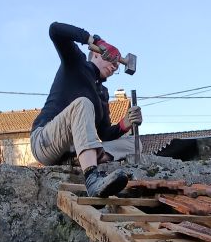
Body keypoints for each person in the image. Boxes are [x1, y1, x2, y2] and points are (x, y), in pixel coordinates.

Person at [30, 22, 142, 197]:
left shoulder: (102, 93)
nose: (115, 67)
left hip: (72, 148)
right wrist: (95, 40)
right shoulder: (76, 63)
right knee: (83, 103)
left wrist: (125, 123)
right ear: (96, 54)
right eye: (112, 60)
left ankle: (78, 159)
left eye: (117, 66)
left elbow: (104, 134)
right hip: (44, 141)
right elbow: (55, 30)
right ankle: (91, 178)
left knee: (133, 144)